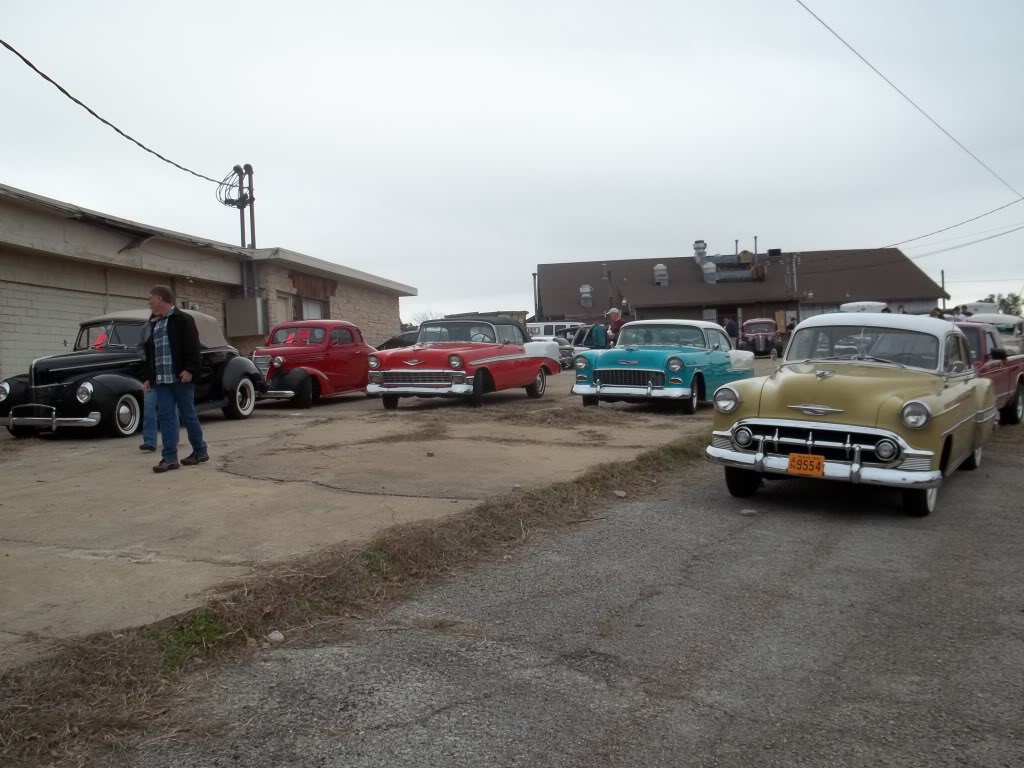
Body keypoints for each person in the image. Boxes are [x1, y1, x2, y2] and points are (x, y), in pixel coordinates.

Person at [142, 285, 208, 473]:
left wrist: (189, 370)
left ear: (161, 299)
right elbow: (150, 353)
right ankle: (170, 458)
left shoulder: (183, 320)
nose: (149, 302)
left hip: (181, 378)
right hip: (161, 380)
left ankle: (200, 451)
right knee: (166, 417)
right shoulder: (153, 323)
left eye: (151, 298)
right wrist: (148, 377)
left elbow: (193, 348)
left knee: (188, 414)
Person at [137, 314, 159, 452]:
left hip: (168, 376)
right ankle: (150, 441)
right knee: (149, 408)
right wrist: (146, 357)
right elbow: (139, 347)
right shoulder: (147, 327)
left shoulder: (172, 323)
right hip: (151, 375)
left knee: (168, 409)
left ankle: (173, 439)